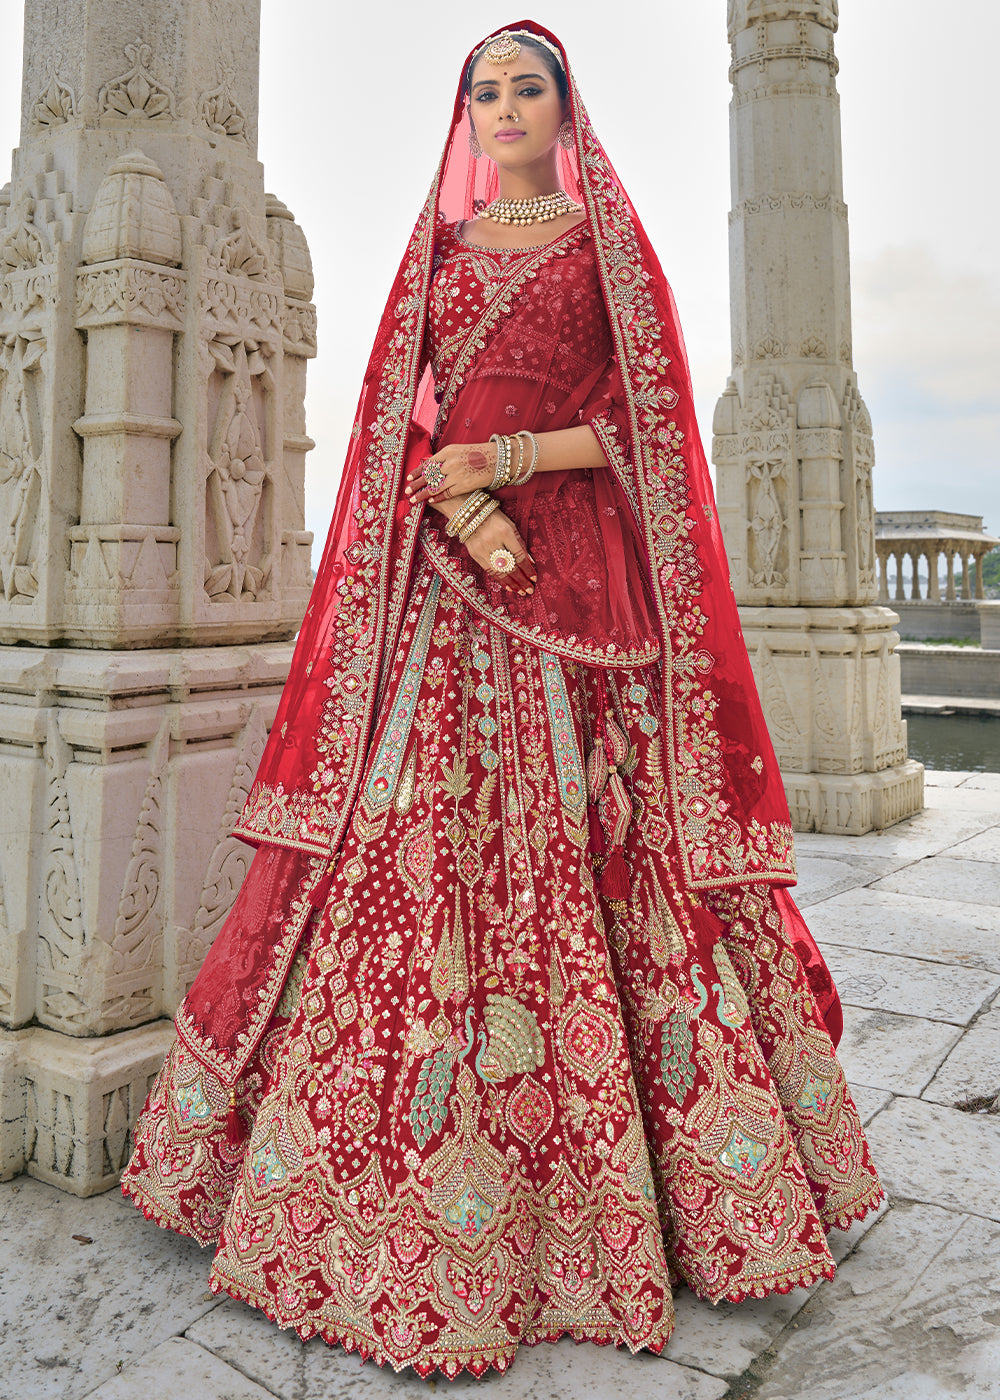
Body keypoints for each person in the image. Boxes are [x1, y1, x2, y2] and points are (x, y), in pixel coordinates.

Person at [122, 21, 882, 1378]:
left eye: (530, 86)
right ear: (468, 113)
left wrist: (513, 456)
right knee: (409, 851)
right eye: (489, 89)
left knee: (602, 849)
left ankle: (644, 1201)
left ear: (564, 108)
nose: (510, 104)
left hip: (576, 588)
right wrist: (451, 484)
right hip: (442, 590)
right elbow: (391, 419)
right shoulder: (437, 254)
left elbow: (649, 420)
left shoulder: (601, 249)